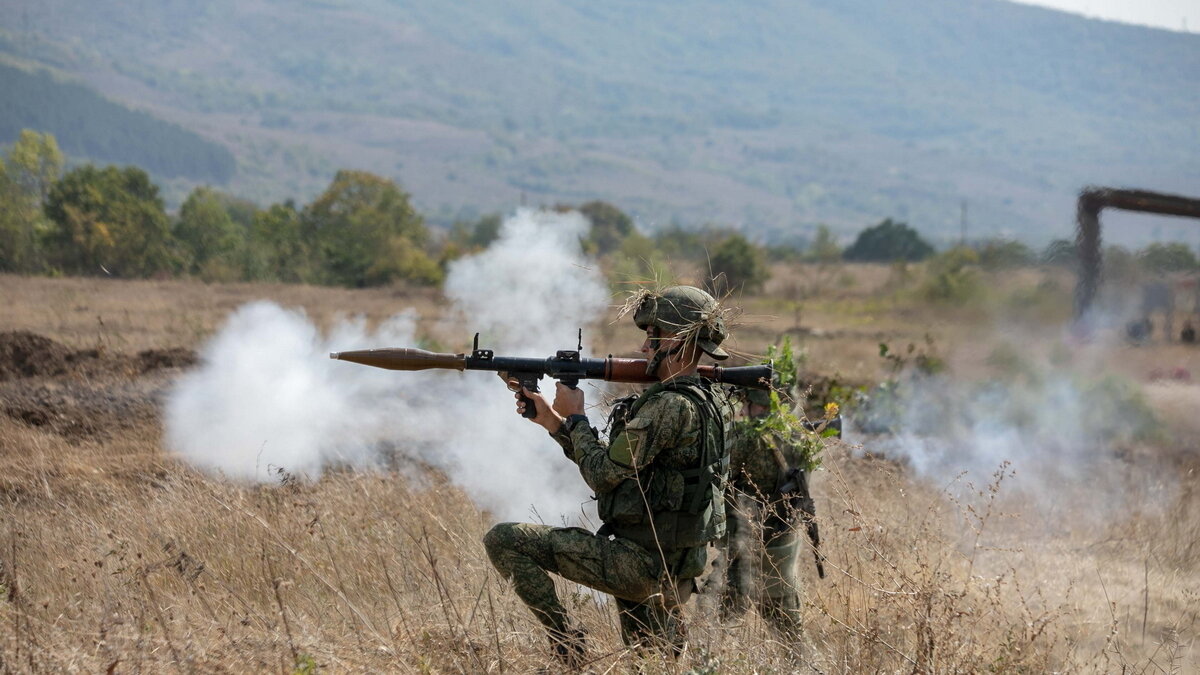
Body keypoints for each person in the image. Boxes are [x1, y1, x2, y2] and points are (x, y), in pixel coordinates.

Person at [482, 286, 733, 665]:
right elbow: (623, 472)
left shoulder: (669, 406)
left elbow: (602, 475)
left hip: (641, 565)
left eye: (654, 336)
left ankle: (567, 645)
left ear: (679, 342)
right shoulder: (713, 400)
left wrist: (577, 417)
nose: (646, 347)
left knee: (504, 540)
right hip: (676, 568)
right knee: (650, 665)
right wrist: (552, 421)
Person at [717, 375, 826, 644]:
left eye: (747, 402)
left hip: (744, 549)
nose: (742, 410)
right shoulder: (802, 440)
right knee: (791, 637)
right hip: (781, 549)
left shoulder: (746, 438)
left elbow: (719, 478)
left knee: (714, 630)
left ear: (759, 404)